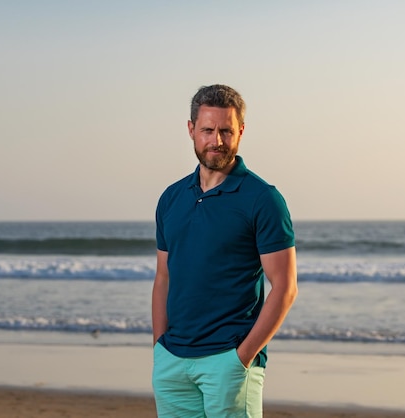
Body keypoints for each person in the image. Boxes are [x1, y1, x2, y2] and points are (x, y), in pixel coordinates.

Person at [152, 84, 298, 417]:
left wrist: (242, 357)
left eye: (226, 131)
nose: (216, 140)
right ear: (191, 130)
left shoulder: (263, 200)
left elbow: (285, 288)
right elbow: (164, 276)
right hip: (173, 362)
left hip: (229, 362)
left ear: (240, 133)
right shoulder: (171, 198)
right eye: (207, 130)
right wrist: (160, 346)